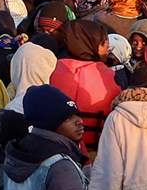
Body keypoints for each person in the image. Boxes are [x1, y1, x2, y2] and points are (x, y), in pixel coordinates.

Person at [48, 20, 120, 158]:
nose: (108, 49)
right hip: (98, 154)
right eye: (105, 44)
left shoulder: (53, 69)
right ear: (94, 44)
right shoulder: (109, 77)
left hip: (57, 152)